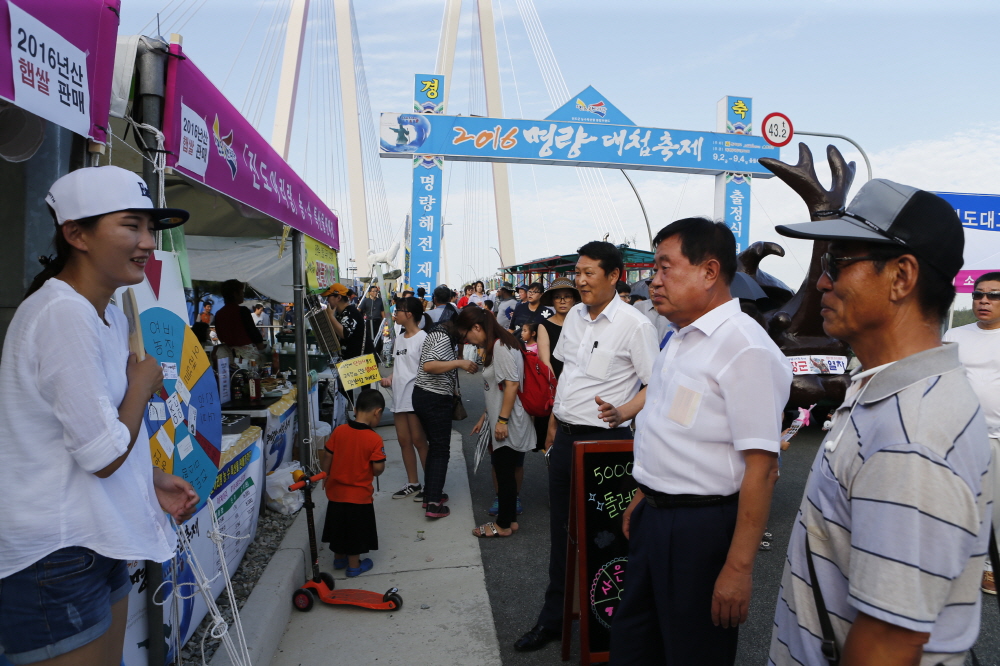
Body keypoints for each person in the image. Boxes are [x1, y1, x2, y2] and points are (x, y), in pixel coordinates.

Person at [768, 180, 994, 665]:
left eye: (836, 262)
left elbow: (890, 644)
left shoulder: (913, 435)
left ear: (901, 277)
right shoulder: (885, 393)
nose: (822, 282)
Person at [0, 165, 199, 666]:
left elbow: (87, 434)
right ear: (76, 234)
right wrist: (141, 385)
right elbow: (103, 455)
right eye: (131, 225)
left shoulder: (105, 311)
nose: (148, 242)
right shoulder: (63, 314)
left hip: (91, 540)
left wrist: (150, 476)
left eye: (150, 229)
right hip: (56, 556)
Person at [607, 218, 791, 665]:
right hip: (655, 516)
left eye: (666, 268)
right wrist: (644, 494)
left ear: (710, 272)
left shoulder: (745, 348)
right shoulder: (681, 338)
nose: (654, 280)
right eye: (654, 268)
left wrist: (738, 568)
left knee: (692, 651)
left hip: (702, 530)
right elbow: (667, 427)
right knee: (635, 643)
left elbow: (762, 467)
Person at [514, 241, 658, 653]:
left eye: (588, 273)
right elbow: (569, 375)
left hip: (607, 444)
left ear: (615, 276)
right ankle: (553, 620)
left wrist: (625, 410)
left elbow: (655, 384)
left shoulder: (636, 325)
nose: (579, 280)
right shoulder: (574, 316)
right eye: (577, 272)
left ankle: (619, 630)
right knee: (563, 534)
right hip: (567, 440)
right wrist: (555, 424)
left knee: (613, 538)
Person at [943, 271, 1000, 595]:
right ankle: (954, 561)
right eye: (978, 295)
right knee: (956, 500)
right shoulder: (955, 334)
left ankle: (991, 566)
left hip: (997, 438)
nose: (984, 301)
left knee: (997, 506)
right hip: (958, 434)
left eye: (993, 295)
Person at [457, 307, 536, 538]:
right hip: (505, 417)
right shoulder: (504, 342)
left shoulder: (500, 346)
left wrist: (501, 421)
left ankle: (502, 525)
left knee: (504, 472)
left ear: (477, 327)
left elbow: (511, 385)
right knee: (506, 472)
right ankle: (509, 521)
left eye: (466, 336)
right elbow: (498, 388)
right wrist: (486, 416)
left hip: (508, 420)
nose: (467, 342)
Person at [412, 318, 478, 519]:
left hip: (425, 395)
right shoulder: (442, 336)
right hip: (434, 398)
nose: (468, 339)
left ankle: (432, 495)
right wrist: (460, 362)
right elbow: (429, 366)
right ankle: (433, 503)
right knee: (440, 449)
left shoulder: (437, 333)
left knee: (435, 448)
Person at [319, 389, 387, 577]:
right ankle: (354, 566)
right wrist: (377, 467)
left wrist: (326, 474)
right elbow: (377, 468)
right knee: (355, 532)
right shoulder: (374, 439)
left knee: (338, 526)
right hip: (359, 496)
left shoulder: (340, 431)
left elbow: (327, 455)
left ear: (355, 409)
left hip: (336, 493)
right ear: (377, 412)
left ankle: (338, 558)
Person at [380, 296, 431, 501]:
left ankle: (431, 484)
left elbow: (426, 369)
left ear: (409, 314)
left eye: (398, 310)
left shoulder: (424, 338)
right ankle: (413, 482)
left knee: (419, 441)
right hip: (399, 397)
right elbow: (400, 367)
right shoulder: (400, 337)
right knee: (404, 441)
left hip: (415, 397)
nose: (395, 314)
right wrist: (390, 378)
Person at [536, 276, 580, 379]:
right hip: (555, 379)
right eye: (557, 297)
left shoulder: (582, 323)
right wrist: (555, 384)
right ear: (552, 301)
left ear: (573, 299)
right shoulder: (544, 326)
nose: (562, 301)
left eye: (567, 296)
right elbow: (545, 360)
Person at [213, 280, 266, 363]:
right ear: (235, 293)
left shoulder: (219, 314)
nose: (243, 295)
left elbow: (220, 336)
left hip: (228, 355)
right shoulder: (242, 311)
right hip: (247, 355)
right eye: (241, 292)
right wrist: (262, 348)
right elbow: (253, 332)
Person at [323, 283, 367, 360]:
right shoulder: (343, 312)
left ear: (338, 297)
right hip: (352, 359)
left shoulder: (350, 312)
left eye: (328, 297)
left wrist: (330, 317)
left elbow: (344, 334)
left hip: (360, 361)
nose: (327, 300)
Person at [358, 284, 386, 358]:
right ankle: (370, 353)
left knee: (378, 337)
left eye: (376, 291)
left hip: (377, 321)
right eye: (373, 291)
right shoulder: (365, 301)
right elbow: (359, 310)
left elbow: (382, 312)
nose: (375, 293)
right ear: (369, 292)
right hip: (368, 321)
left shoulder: (380, 301)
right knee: (369, 337)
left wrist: (384, 322)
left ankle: (377, 353)